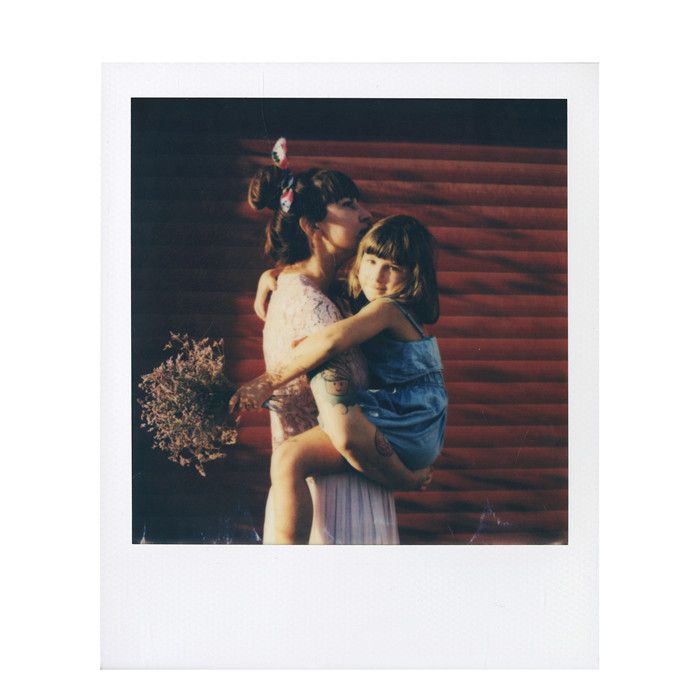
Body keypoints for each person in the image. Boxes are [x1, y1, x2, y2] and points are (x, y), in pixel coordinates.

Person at [232, 139, 425, 544]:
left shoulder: (306, 290)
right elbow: (347, 431)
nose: (366, 213)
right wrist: (406, 478)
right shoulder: (314, 308)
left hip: (315, 494)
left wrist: (272, 273)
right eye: (349, 204)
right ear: (312, 225)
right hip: (335, 506)